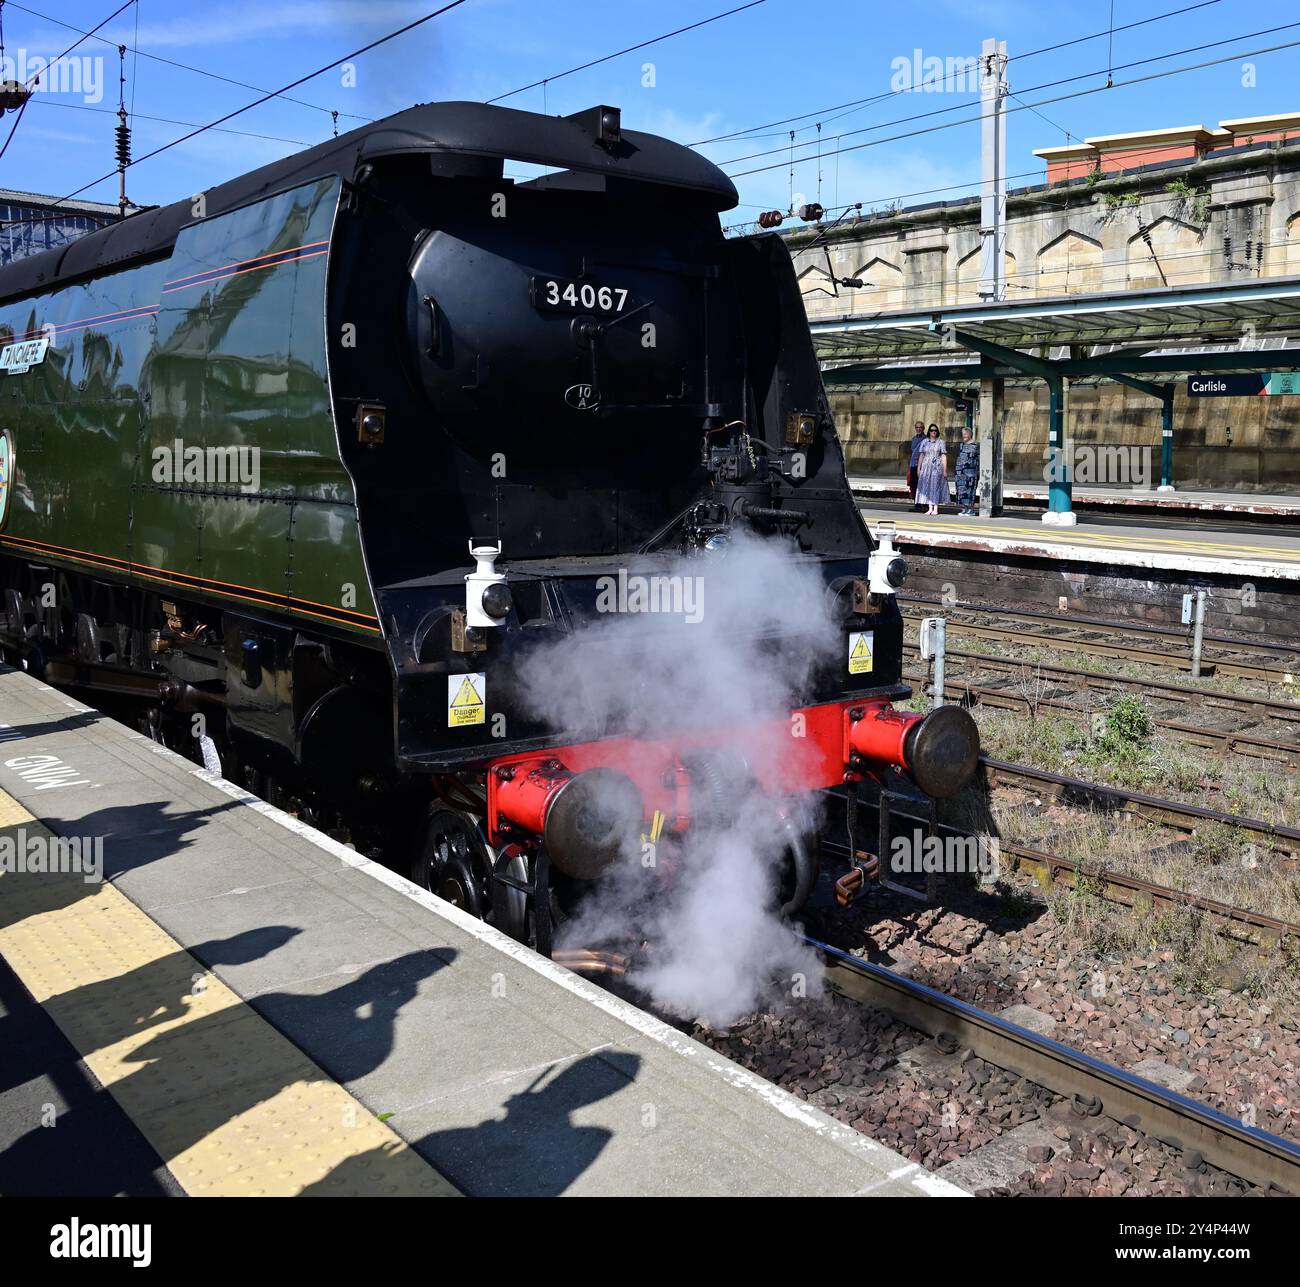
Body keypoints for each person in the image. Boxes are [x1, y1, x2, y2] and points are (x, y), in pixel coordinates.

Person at [915, 424, 948, 516]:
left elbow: (943, 456)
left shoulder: (941, 442)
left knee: (936, 486)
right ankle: (930, 508)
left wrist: (945, 470)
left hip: (937, 466)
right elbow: (921, 455)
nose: (934, 432)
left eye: (935, 430)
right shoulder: (925, 442)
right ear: (929, 431)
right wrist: (919, 468)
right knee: (928, 486)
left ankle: (936, 508)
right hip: (926, 467)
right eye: (932, 430)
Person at [955, 426, 979, 515]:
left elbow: (979, 458)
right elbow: (959, 457)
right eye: (963, 434)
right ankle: (965, 509)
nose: (963, 436)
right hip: (961, 472)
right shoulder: (961, 445)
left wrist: (978, 471)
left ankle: (971, 510)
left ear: (970, 434)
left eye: (965, 434)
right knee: (962, 491)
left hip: (971, 472)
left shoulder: (976, 445)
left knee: (970, 491)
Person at [905, 421, 926, 511]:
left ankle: (924, 505)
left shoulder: (926, 439)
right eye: (917, 427)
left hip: (921, 465)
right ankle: (916, 504)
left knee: (922, 486)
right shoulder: (913, 439)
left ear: (923, 428)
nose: (918, 429)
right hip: (913, 465)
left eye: (920, 427)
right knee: (913, 485)